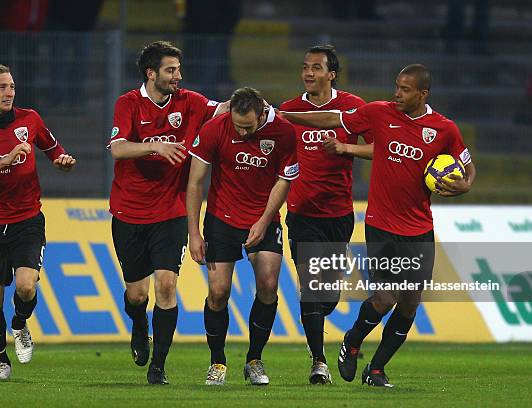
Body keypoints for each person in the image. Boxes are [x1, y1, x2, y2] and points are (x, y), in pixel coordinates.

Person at [281, 64, 476, 387]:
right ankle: (353, 339)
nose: (397, 93)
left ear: (422, 94)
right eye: (397, 86)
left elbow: (467, 166)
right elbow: (332, 118)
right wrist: (287, 116)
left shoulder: (444, 129)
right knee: (385, 296)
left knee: (411, 300)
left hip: (419, 226)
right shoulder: (378, 113)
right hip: (381, 222)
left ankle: (377, 369)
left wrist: (465, 185)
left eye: (405, 89)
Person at [108, 41, 229, 385]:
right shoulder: (128, 104)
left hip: (171, 210)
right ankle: (138, 323)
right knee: (137, 295)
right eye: (171, 70)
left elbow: (222, 109)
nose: (178, 76)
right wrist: (155, 145)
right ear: (151, 73)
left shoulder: (189, 102)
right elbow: (117, 149)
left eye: (178, 69)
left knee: (166, 285)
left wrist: (252, 103)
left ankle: (158, 366)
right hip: (129, 212)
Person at [0, 63, 76, 380]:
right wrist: (1, 162)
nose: (9, 92)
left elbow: (52, 147)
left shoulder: (30, 119)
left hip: (27, 219)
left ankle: (20, 324)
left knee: (25, 286)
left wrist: (62, 159)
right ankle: (0, 361)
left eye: (11, 86)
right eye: (1, 87)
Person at [186, 87, 299, 386]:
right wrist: (194, 232)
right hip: (221, 219)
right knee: (219, 292)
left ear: (262, 114)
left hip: (264, 217)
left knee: (268, 285)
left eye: (248, 127)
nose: (242, 132)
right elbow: (195, 182)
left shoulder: (284, 132)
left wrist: (263, 221)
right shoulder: (215, 128)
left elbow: (283, 181)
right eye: (237, 125)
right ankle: (217, 362)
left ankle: (254, 359)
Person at [279, 44, 372, 385]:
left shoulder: (353, 107)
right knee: (310, 289)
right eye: (305, 67)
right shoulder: (289, 110)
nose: (308, 73)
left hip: (338, 213)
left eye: (316, 68)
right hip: (301, 211)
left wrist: (348, 147)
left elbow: (380, 147)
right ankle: (319, 362)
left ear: (331, 74)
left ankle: (322, 329)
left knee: (328, 297)